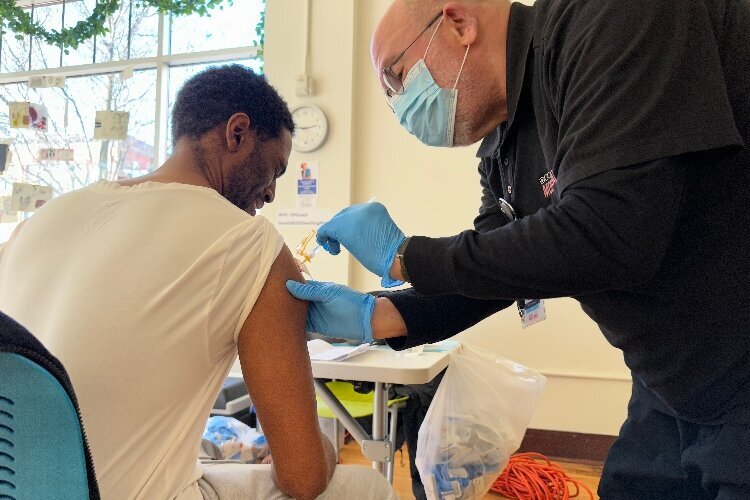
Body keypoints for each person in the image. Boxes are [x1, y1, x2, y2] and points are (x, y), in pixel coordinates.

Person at [286, 0, 750, 498]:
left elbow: (612, 232)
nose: (400, 106)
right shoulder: (505, 141)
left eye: (398, 79)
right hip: (672, 388)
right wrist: (378, 317)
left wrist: (407, 257)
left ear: (459, 24)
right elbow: (495, 271)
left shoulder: (613, 19)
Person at [0, 65, 395, 500]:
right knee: (364, 487)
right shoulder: (251, 243)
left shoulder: (43, 219)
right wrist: (326, 449)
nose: (271, 195)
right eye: (276, 170)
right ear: (238, 132)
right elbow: (303, 479)